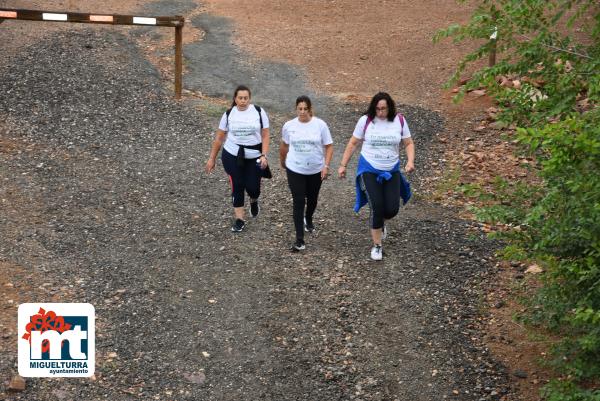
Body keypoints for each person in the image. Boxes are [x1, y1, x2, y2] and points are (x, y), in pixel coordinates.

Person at [338, 92, 415, 261]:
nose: (380, 112)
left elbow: (408, 143)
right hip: (369, 169)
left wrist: (410, 161)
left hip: (391, 170)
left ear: (390, 107)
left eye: (384, 109)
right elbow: (353, 142)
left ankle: (381, 223)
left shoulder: (399, 121)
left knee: (392, 209)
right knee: (377, 206)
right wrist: (343, 165)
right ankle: (377, 246)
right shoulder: (365, 121)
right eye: (377, 109)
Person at [205, 85, 270, 232]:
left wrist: (264, 155)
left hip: (254, 156)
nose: (243, 101)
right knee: (237, 185)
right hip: (232, 155)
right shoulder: (229, 114)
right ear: (235, 99)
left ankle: (254, 199)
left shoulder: (258, 112)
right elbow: (219, 138)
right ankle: (239, 219)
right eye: (240, 98)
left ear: (249, 98)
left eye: (245, 98)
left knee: (253, 187)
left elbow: (265, 135)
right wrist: (212, 158)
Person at [280, 95, 333, 251]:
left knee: (312, 199)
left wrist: (326, 166)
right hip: (295, 168)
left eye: (305, 109)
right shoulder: (289, 126)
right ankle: (299, 240)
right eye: (299, 109)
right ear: (296, 109)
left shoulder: (320, 125)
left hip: (315, 169)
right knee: (298, 200)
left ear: (310, 109)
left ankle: (308, 218)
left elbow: (329, 146)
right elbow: (284, 145)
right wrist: (282, 161)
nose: (302, 112)